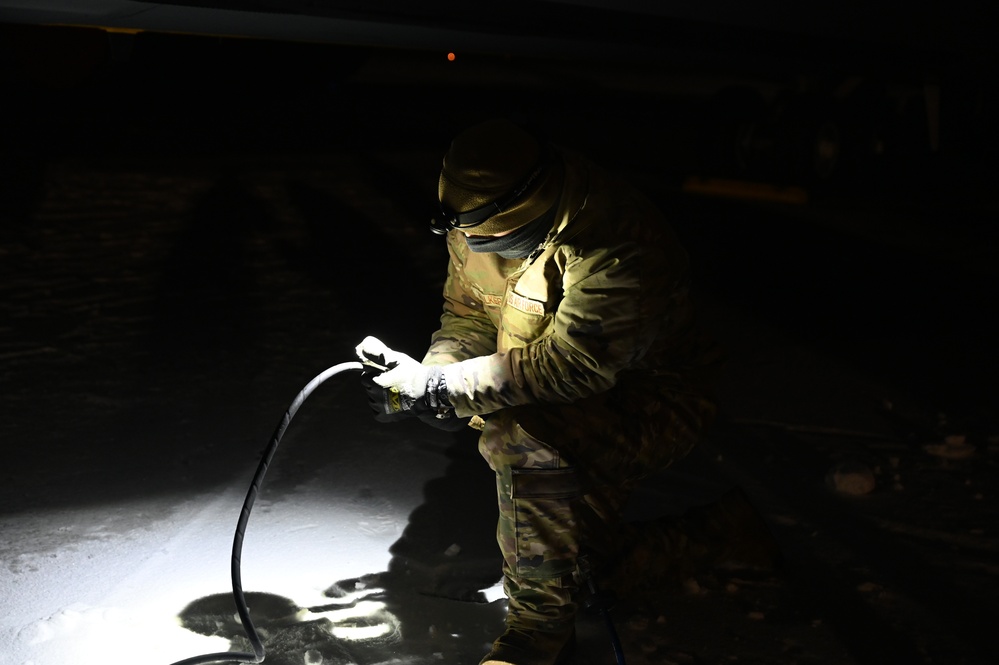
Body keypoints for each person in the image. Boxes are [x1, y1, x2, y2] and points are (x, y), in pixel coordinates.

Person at [354, 117, 730, 665]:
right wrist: (433, 375)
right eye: (464, 235)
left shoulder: (617, 242)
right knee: (577, 568)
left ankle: (538, 635)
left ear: (529, 211)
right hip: (563, 392)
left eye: (487, 236)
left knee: (520, 437)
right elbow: (468, 317)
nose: (471, 245)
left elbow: (571, 367)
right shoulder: (472, 215)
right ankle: (726, 532)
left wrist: (439, 388)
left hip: (651, 401)